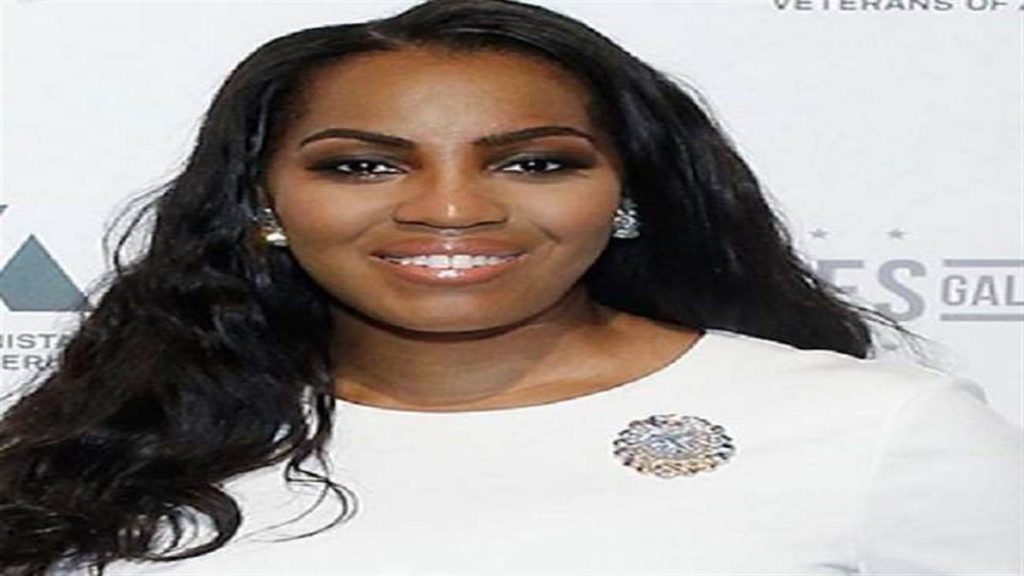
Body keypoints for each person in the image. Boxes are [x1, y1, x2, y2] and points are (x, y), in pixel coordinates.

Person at [1, 0, 1020, 574]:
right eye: (363, 165)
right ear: (261, 201)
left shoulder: (874, 430)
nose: (451, 209)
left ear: (625, 192)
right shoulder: (114, 440)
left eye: (535, 163)